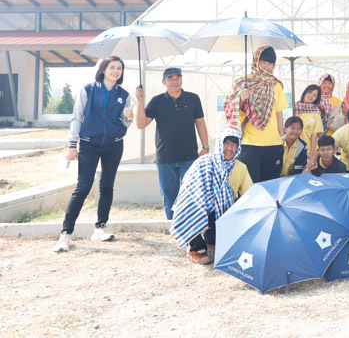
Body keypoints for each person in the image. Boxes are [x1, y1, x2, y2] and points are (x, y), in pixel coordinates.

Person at [54, 56, 134, 252]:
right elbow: (77, 117)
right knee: (83, 187)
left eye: (119, 68)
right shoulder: (88, 90)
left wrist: (128, 117)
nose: (116, 71)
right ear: (103, 69)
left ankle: (100, 229)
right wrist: (72, 145)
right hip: (89, 144)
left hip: (114, 145)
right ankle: (65, 234)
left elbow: (124, 123)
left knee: (107, 186)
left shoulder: (124, 95)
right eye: (112, 67)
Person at [134, 67, 209, 220]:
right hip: (165, 158)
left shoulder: (193, 98)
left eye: (178, 77)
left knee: (192, 195)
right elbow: (141, 124)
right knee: (169, 197)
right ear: (164, 81)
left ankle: (191, 226)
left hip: (190, 157)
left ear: (181, 79)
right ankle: (173, 226)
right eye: (170, 78)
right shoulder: (157, 101)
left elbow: (200, 123)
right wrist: (140, 102)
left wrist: (206, 147)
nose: (175, 81)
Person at [170, 129, 250, 265]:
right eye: (226, 143)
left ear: (238, 147)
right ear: (219, 144)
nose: (229, 148)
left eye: (234, 145)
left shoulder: (241, 167)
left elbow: (248, 193)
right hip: (198, 204)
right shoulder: (205, 161)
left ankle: (212, 241)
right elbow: (190, 190)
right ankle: (196, 249)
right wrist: (209, 201)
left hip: (224, 209)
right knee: (192, 208)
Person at [223, 46, 289, 183]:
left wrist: (282, 137)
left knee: (271, 186)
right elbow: (230, 109)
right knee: (250, 187)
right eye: (263, 62)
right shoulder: (243, 82)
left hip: (274, 145)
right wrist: (241, 99)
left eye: (270, 64)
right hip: (250, 145)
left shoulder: (276, 85)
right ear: (256, 62)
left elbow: (279, 113)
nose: (267, 67)